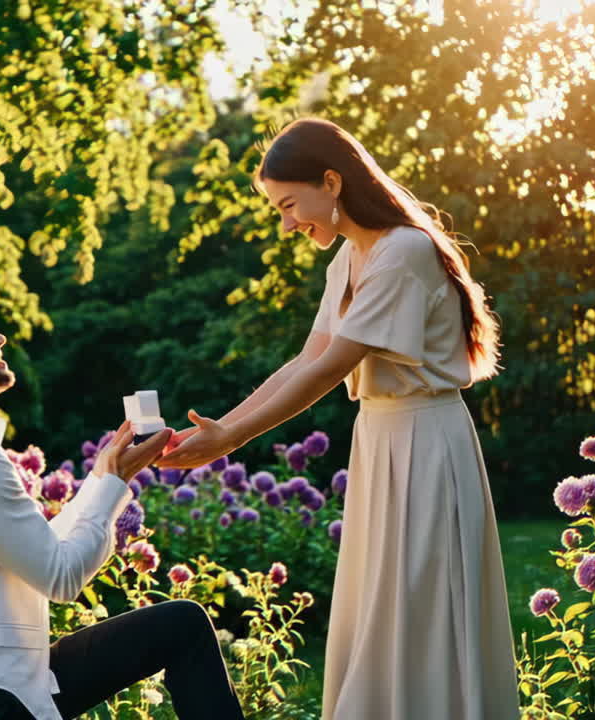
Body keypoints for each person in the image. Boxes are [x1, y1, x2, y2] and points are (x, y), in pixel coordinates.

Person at [158, 118, 518, 719]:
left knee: (421, 605)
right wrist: (221, 429)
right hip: (380, 440)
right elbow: (307, 359)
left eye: (289, 205)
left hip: (426, 443)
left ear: (332, 181)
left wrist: (232, 438)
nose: (287, 224)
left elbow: (329, 370)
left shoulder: (403, 251)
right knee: (382, 603)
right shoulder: (349, 258)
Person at [0, 285, 246, 720]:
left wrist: (105, 477)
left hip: (17, 677)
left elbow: (41, 550)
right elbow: (61, 577)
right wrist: (114, 482)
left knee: (181, 626)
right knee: (183, 626)